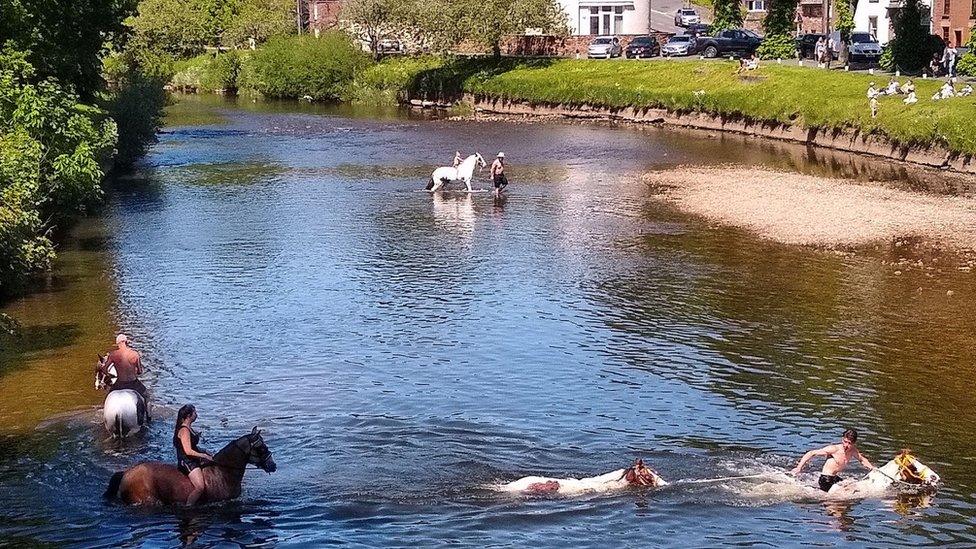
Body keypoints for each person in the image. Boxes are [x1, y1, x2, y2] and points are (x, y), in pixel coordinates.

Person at [790, 428, 876, 492]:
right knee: (844, 493)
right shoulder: (834, 449)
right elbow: (811, 453)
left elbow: (862, 459)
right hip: (825, 479)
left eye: (849, 443)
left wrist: (872, 468)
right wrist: (799, 468)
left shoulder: (853, 451)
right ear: (842, 439)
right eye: (845, 441)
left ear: (854, 443)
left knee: (853, 487)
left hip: (835, 478)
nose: (846, 445)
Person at [174, 404, 214, 505]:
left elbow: (192, 446)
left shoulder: (190, 428)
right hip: (187, 461)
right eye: (195, 413)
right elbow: (188, 451)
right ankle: (188, 507)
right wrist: (204, 456)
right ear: (189, 416)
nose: (196, 415)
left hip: (193, 458)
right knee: (200, 487)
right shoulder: (184, 430)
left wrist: (204, 450)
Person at [100, 334, 148, 402]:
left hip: (120, 384)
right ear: (126, 342)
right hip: (133, 383)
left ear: (118, 343)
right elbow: (140, 371)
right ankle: (146, 411)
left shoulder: (113, 355)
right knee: (145, 394)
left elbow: (104, 370)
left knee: (108, 398)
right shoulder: (135, 354)